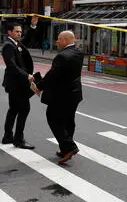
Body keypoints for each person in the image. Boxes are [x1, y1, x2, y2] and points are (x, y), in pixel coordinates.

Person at [32, 30, 84, 164]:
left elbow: (52, 76)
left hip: (62, 95)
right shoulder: (78, 52)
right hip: (75, 93)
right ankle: (64, 148)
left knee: (53, 118)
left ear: (65, 40)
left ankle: (70, 147)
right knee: (68, 121)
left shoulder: (62, 56)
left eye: (59, 39)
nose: (57, 41)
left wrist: (39, 86)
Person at [1, 15, 39, 149]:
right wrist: (26, 75)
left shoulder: (16, 43)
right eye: (17, 31)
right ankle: (18, 139)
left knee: (13, 110)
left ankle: (7, 137)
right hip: (16, 84)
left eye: (20, 31)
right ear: (9, 32)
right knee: (24, 109)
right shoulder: (8, 46)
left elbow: (28, 40)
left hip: (17, 83)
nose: (19, 33)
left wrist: (33, 26)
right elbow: (11, 66)